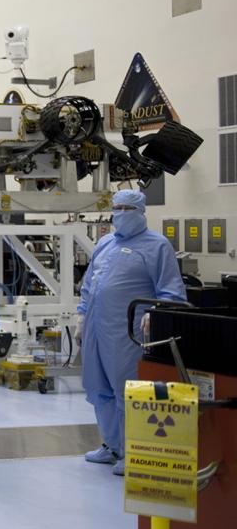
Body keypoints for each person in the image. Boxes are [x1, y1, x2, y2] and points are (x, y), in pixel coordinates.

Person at [78, 189, 186, 476]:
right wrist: (81, 314)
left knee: (128, 391)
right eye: (117, 208)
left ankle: (134, 451)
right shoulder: (104, 243)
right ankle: (112, 445)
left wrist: (156, 312)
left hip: (127, 330)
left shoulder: (157, 246)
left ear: (140, 212)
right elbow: (90, 283)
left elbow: (171, 290)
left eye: (127, 208)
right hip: (95, 326)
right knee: (97, 387)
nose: (120, 213)